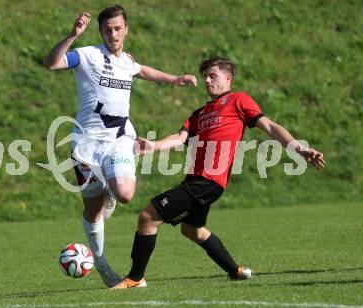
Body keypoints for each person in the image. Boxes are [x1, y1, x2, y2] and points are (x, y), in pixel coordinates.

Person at [113, 56, 326, 288]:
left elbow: (271, 127)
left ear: (228, 78)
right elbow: (179, 138)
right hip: (196, 179)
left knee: (147, 217)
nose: (207, 80)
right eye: (205, 76)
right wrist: (154, 146)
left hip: (208, 180)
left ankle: (135, 278)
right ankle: (235, 271)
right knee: (192, 229)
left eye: (212, 75)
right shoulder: (198, 114)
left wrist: (300, 149)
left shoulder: (238, 100)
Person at [43, 5, 197, 287]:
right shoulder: (88, 55)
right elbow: (52, 63)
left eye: (117, 28)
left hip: (119, 140)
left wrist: (174, 79)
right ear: (100, 31)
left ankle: (110, 191)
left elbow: (142, 71)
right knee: (92, 211)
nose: (112, 33)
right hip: (86, 147)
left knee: (125, 194)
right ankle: (101, 265)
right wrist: (71, 35)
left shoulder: (127, 61)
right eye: (106, 29)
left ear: (125, 29)